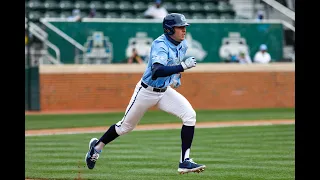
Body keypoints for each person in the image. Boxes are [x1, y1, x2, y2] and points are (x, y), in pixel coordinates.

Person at [85, 13, 206, 174]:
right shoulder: (160, 44)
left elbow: (173, 66)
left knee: (190, 115)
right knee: (125, 127)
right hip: (146, 91)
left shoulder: (182, 44)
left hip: (164, 92)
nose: (184, 30)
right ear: (169, 29)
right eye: (180, 27)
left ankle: (184, 161)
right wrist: (182, 67)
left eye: (184, 27)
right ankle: (97, 148)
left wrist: (176, 76)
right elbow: (157, 71)